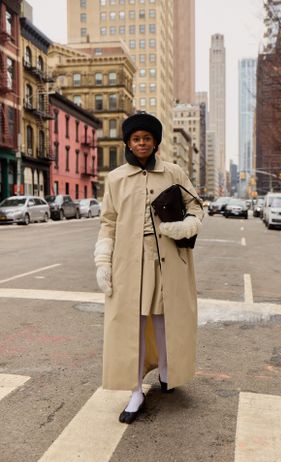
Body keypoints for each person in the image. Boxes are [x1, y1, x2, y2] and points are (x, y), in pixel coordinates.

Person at [94, 112, 204, 424]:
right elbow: (108, 223)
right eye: (136, 138)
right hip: (130, 262)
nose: (142, 143)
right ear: (128, 142)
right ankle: (135, 390)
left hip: (168, 257)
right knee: (133, 323)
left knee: (163, 318)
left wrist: (185, 226)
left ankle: (169, 372)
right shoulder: (115, 178)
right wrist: (103, 260)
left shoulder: (174, 172)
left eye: (147, 138)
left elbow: (196, 206)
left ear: (155, 142)